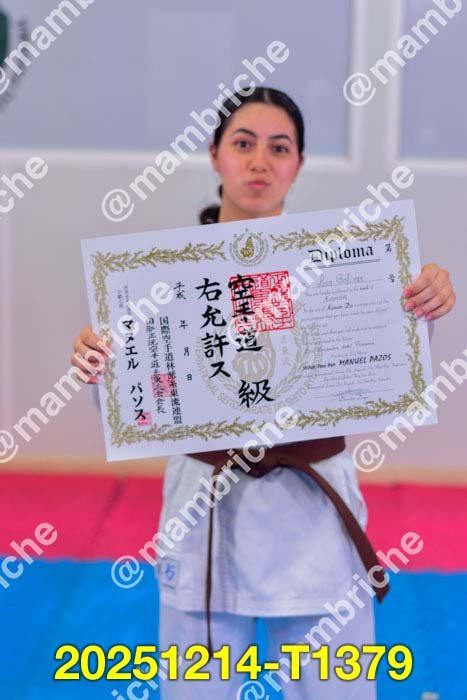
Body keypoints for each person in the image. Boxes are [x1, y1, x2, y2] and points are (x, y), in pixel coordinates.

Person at [71, 87, 456, 699]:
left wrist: (422, 300)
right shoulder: (159, 278)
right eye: (243, 144)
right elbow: (139, 407)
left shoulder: (338, 266)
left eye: (279, 148)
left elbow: (385, 363)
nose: (259, 162)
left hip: (314, 512)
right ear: (214, 154)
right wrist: (102, 366)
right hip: (206, 510)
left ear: (299, 164)